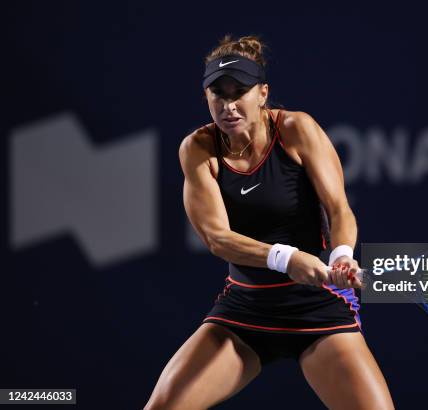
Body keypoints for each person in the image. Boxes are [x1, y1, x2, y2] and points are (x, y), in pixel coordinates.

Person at [144, 35, 395, 410]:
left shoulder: (297, 128)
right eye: (218, 94)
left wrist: (341, 255)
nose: (228, 105)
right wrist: (287, 258)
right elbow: (217, 238)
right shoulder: (197, 148)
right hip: (245, 312)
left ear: (262, 93)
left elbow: (339, 208)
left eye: (239, 92)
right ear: (206, 98)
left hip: (317, 306)